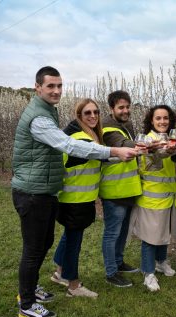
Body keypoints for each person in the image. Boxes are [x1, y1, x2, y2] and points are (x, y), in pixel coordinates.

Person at [12, 67, 137, 317]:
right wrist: (114, 152)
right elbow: (67, 145)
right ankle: (26, 303)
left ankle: (32, 288)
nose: (56, 90)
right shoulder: (40, 118)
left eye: (59, 86)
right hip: (32, 192)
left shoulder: (48, 111)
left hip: (45, 191)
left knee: (44, 243)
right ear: (37, 87)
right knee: (34, 249)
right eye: (50, 86)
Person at [50, 99, 105, 299]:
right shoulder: (80, 139)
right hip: (75, 200)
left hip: (76, 198)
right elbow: (103, 155)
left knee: (69, 236)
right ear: (79, 116)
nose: (93, 116)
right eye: (87, 113)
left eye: (96, 112)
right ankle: (73, 285)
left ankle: (59, 272)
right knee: (74, 242)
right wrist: (131, 151)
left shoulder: (81, 135)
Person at [130, 105, 176, 291]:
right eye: (158, 118)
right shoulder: (148, 141)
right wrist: (170, 150)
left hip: (168, 196)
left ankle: (161, 262)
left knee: (163, 233)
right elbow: (158, 154)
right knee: (150, 237)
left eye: (165, 118)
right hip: (151, 198)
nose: (162, 122)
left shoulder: (172, 138)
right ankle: (148, 272)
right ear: (151, 121)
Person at [99, 90, 143, 288]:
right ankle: (111, 272)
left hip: (127, 187)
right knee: (112, 232)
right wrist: (151, 143)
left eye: (127, 107)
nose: (125, 111)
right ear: (111, 109)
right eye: (120, 107)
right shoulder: (107, 128)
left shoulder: (127, 124)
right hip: (114, 189)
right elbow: (124, 144)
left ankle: (118, 261)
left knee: (123, 230)